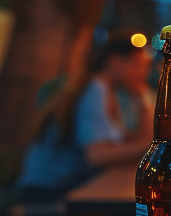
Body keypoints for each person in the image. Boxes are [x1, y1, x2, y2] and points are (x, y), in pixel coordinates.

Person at [16, 34, 154, 200]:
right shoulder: (96, 90)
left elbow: (135, 139)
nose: (143, 74)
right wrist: (149, 146)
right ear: (115, 61)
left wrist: (143, 98)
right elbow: (97, 156)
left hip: (66, 188)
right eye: (137, 66)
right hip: (47, 194)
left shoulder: (110, 92)